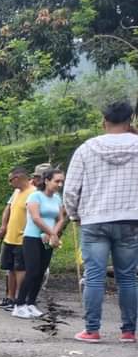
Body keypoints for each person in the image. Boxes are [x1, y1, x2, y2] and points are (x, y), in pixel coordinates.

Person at [64, 100, 138, 343]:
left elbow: (71, 189)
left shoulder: (86, 148)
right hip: (130, 220)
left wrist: (74, 214)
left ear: (104, 121)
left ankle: (92, 330)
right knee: (127, 276)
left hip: (94, 220)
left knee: (94, 276)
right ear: (131, 121)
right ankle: (128, 331)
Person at [12, 168, 67, 319]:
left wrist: (53, 235)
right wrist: (53, 233)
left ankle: (31, 303)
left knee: (41, 272)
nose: (60, 184)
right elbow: (36, 218)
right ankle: (19, 304)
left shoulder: (57, 198)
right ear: (47, 180)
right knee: (32, 271)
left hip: (48, 238)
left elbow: (61, 218)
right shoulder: (35, 196)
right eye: (57, 181)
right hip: (32, 237)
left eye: (62, 181)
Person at [0, 167, 34, 309]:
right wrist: (3, 226)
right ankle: (10, 297)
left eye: (10, 180)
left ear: (17, 178)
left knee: (20, 268)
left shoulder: (33, 193)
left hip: (23, 238)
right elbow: (9, 209)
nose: (10, 183)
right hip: (10, 237)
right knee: (10, 268)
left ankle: (21, 298)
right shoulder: (17, 192)